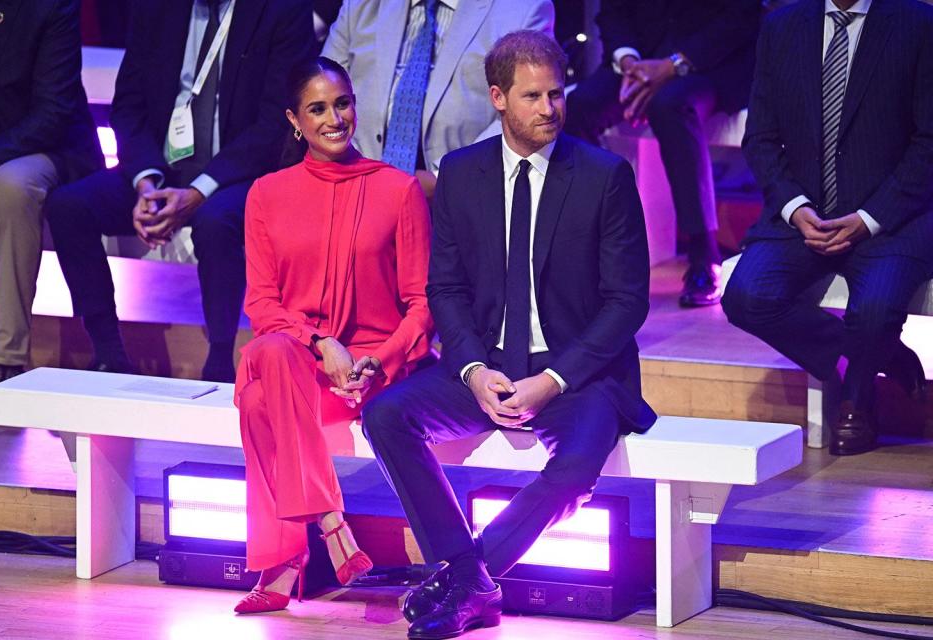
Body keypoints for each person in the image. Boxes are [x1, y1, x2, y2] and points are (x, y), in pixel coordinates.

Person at [362, 30, 656, 640]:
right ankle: (467, 572)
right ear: (498, 98)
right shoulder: (462, 174)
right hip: (485, 367)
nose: (549, 108)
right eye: (532, 96)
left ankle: (468, 578)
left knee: (575, 470)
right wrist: (472, 370)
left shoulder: (604, 176)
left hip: (577, 375)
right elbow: (445, 289)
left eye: (556, 93)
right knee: (387, 416)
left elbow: (627, 303)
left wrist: (551, 381)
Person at [233, 57, 434, 614]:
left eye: (341, 103)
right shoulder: (266, 194)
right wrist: (322, 343)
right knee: (272, 348)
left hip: (372, 373)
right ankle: (331, 524)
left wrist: (379, 360)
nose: (334, 118)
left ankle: (283, 563)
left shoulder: (397, 190)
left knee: (256, 402)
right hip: (300, 364)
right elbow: (262, 303)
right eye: (318, 108)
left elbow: (421, 305)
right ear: (294, 120)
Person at [45, 0, 314, 382]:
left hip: (240, 172)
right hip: (161, 169)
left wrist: (198, 192)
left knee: (216, 220)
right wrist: (146, 184)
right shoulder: (157, 8)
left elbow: (274, 124)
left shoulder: (281, 11)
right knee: (69, 206)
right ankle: (108, 352)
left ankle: (220, 360)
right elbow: (128, 107)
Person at [722, 0, 933, 455]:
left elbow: (929, 141)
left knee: (875, 309)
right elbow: (760, 137)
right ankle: (883, 356)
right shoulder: (782, 25)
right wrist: (795, 207)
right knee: (745, 297)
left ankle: (856, 401)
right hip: (805, 213)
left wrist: (869, 218)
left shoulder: (918, 22)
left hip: (891, 217)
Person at [565, 1, 762, 307]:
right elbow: (612, 11)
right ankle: (599, 244)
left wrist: (673, 65)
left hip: (713, 65)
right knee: (579, 107)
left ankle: (703, 255)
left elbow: (741, 17)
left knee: (670, 105)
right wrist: (629, 61)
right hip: (639, 60)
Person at [0, 0, 102, 420]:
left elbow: (51, 114)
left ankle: (7, 363)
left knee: (11, 186)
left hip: (42, 151)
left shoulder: (45, 7)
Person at [320, 0, 554, 200]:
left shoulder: (522, 10)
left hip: (463, 197)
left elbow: (529, 110)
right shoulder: (361, 5)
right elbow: (322, 90)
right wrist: (353, 168)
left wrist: (444, 179)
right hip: (356, 189)